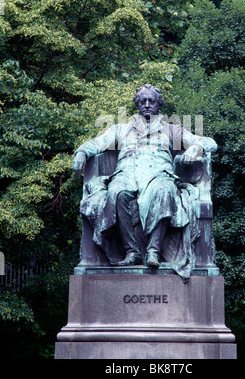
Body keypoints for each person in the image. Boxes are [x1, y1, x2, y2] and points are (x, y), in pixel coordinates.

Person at [73, 84, 217, 278]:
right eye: (142, 101)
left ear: (159, 104)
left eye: (151, 101)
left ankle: (154, 251)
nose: (147, 104)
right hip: (126, 175)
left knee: (165, 190)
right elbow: (96, 144)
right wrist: (81, 152)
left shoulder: (172, 130)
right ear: (137, 104)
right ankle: (131, 251)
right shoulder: (121, 129)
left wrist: (195, 148)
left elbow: (209, 142)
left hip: (159, 174)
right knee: (116, 193)